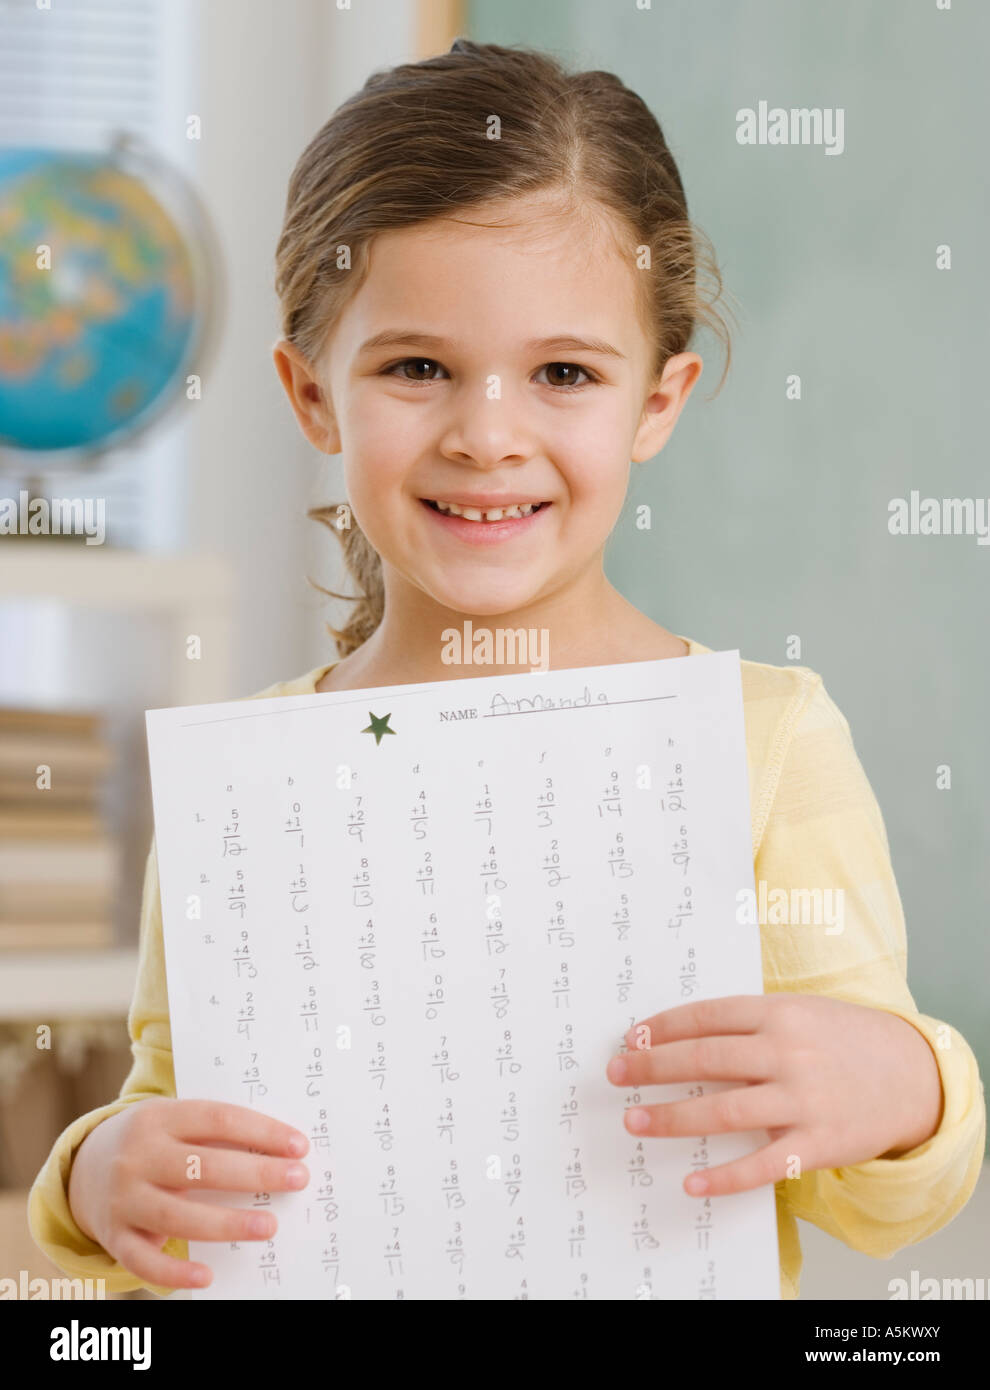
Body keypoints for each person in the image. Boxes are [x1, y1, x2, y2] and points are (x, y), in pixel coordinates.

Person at [29, 39, 985, 1300]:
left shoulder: (765, 741)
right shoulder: (244, 782)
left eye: (565, 374)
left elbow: (877, 1198)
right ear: (311, 394)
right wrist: (97, 1174)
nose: (488, 434)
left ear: (659, 399)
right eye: (416, 367)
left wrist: (907, 1085)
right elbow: (170, 1106)